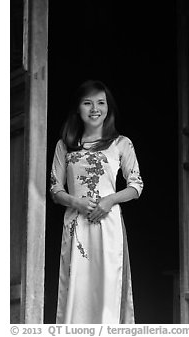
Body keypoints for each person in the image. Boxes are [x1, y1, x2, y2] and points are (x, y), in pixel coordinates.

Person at [49, 80, 143, 324]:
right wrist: (76, 202)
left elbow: (136, 186)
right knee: (76, 289)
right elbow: (55, 189)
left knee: (107, 288)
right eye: (87, 103)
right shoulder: (65, 145)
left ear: (108, 108)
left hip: (108, 225)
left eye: (101, 103)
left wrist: (110, 200)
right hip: (75, 225)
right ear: (77, 109)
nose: (95, 109)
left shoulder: (121, 143)